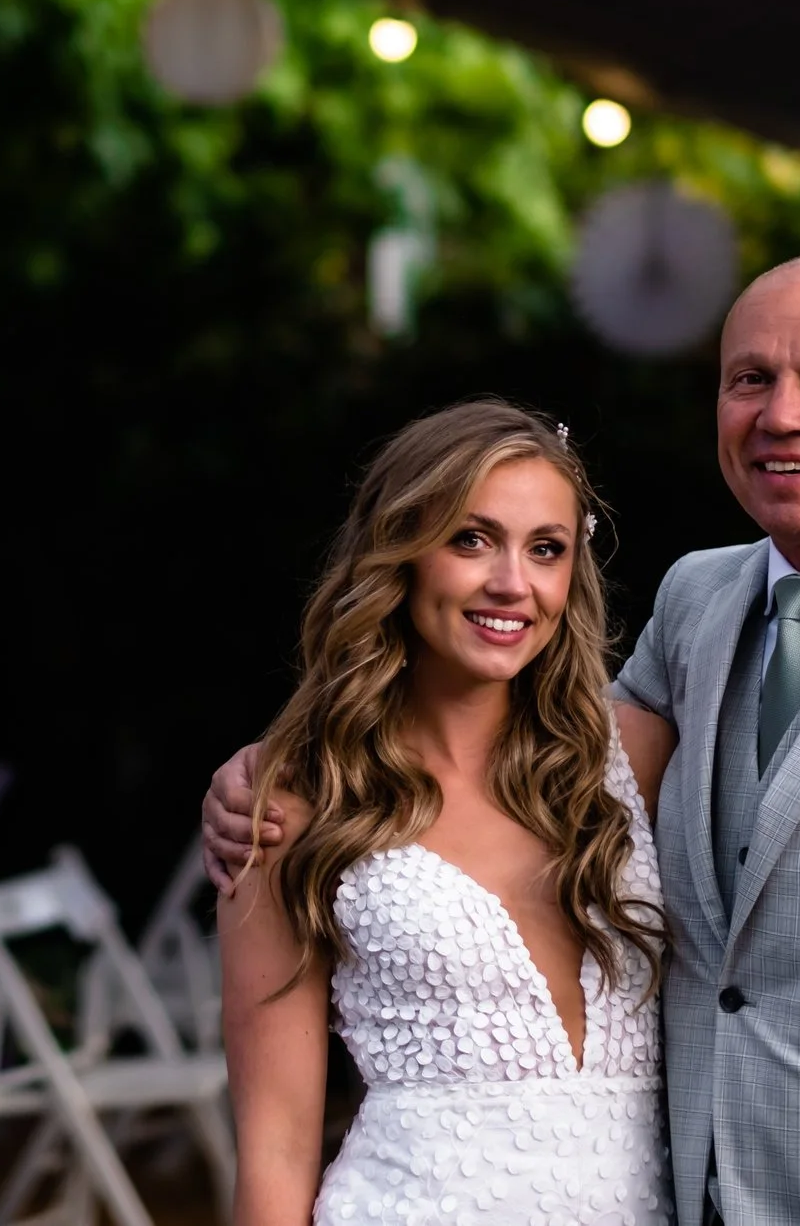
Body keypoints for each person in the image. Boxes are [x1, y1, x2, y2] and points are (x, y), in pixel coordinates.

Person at [206, 252, 800, 1226]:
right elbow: (499, 735)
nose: (780, 414)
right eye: (749, 379)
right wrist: (278, 767)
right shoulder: (695, 606)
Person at [217, 399, 676, 1226]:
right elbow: (277, 1146)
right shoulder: (293, 805)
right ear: (402, 553)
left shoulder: (641, 758)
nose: (511, 582)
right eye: (471, 538)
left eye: (546, 549)